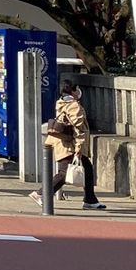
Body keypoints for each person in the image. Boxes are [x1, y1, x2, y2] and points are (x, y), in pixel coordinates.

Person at [30, 82, 106, 210]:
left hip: (64, 142)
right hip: (69, 144)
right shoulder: (73, 106)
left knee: (87, 168)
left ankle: (90, 199)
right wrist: (79, 148)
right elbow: (79, 129)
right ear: (73, 91)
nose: (79, 92)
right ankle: (41, 193)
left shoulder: (61, 103)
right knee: (64, 173)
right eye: (77, 89)